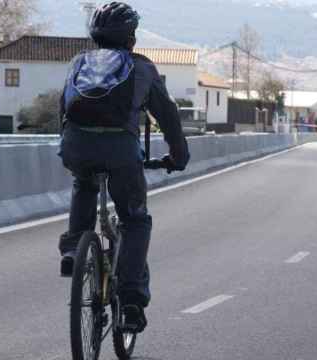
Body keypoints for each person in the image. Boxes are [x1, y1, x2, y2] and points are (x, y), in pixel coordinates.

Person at [57, 2, 189, 331]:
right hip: (120, 152)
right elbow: (168, 116)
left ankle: (74, 247)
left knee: (83, 183)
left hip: (76, 144)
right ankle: (131, 300)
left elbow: (63, 107)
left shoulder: (79, 62)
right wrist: (178, 156)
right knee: (135, 220)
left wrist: (72, 148)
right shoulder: (142, 67)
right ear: (131, 37)